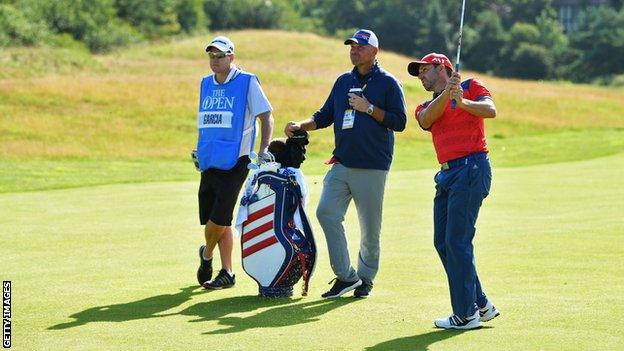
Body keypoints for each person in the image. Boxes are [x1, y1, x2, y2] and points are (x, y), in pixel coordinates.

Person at [284, 29, 407, 299]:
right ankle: (346, 276)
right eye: (351, 46)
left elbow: (400, 122)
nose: (354, 50)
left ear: (374, 52)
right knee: (326, 212)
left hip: (373, 166)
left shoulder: (388, 83)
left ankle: (365, 279)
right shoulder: (343, 81)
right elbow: (325, 115)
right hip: (342, 163)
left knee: (370, 229)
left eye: (360, 47)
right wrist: (300, 125)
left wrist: (369, 109)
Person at [408, 52, 500, 329]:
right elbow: (426, 119)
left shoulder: (471, 86)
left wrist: (462, 100)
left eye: (425, 70)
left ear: (443, 67)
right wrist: (447, 96)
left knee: (457, 242)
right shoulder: (426, 104)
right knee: (443, 242)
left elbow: (490, 110)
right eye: (419, 72)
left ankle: (465, 314)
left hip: (472, 168)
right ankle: (480, 303)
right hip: (447, 174)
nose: (421, 75)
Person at [195, 36, 274, 290]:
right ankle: (227, 272)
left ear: (231, 57)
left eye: (220, 56)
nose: (214, 61)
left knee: (217, 220)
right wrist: (200, 151)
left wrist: (263, 150)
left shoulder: (247, 82)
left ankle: (206, 255)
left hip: (237, 161)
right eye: (211, 56)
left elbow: (266, 117)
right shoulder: (205, 83)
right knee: (219, 220)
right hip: (210, 161)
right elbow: (209, 121)